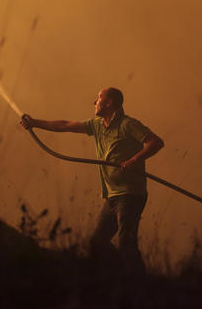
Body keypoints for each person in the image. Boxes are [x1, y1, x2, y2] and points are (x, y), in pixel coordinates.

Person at [20, 87, 164, 272]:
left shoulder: (128, 124)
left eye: (98, 98)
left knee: (126, 242)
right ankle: (120, 273)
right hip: (112, 197)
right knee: (96, 243)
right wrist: (35, 123)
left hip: (130, 194)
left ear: (109, 102)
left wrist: (134, 160)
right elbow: (65, 125)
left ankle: (140, 285)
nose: (94, 102)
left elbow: (156, 142)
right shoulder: (96, 125)